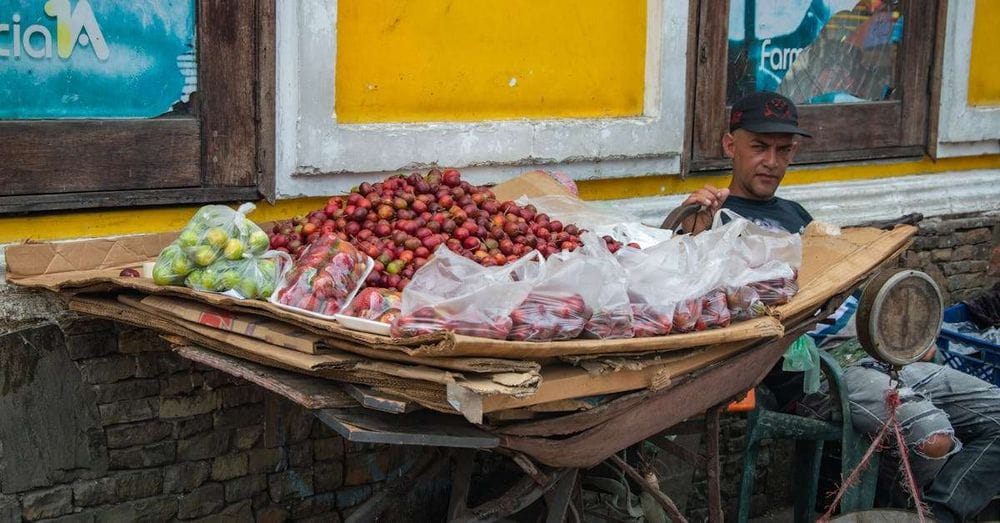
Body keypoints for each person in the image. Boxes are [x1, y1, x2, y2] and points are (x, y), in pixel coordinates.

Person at [681, 91, 1000, 522]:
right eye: (759, 146)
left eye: (783, 149)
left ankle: (934, 514)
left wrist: (896, 338)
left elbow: (838, 288)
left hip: (870, 354)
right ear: (729, 145)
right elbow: (697, 302)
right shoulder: (712, 216)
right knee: (931, 437)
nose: (772, 161)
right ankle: (891, 508)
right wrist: (695, 233)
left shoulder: (797, 214)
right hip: (810, 375)